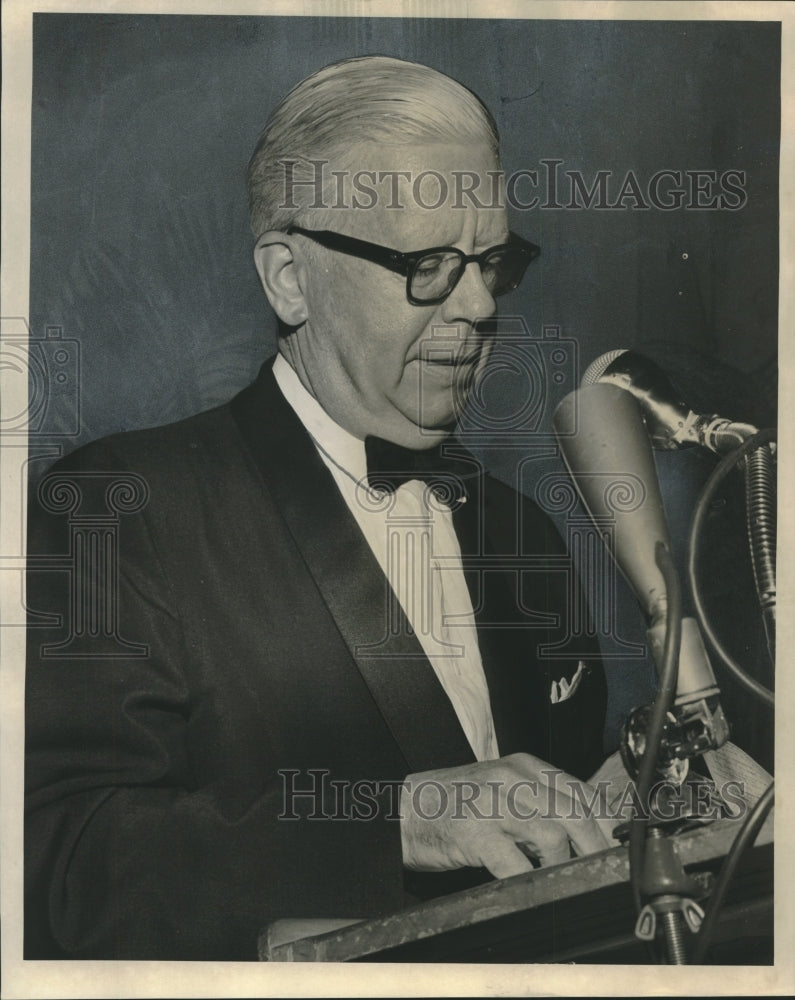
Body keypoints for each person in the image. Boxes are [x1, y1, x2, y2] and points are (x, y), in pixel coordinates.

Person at [24, 55, 610, 961]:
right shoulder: (115, 509)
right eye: (428, 265)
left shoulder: (517, 529)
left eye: (493, 261)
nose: (481, 303)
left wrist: (646, 802)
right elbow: (60, 862)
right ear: (289, 279)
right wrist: (397, 820)